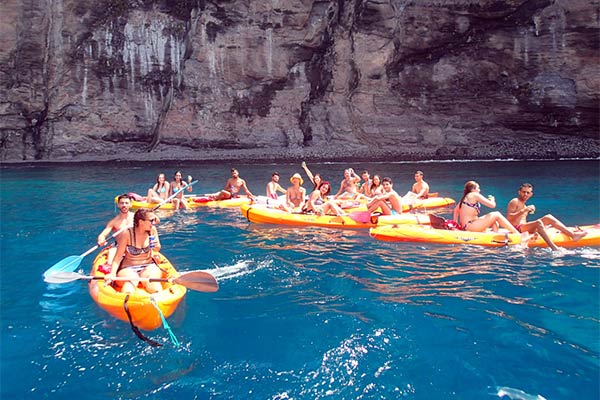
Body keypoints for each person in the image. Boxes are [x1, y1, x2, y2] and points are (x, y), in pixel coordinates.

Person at [506, 183, 587, 250]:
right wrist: (523, 211)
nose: (525, 194)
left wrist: (526, 211)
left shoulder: (524, 205)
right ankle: (554, 247)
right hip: (517, 228)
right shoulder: (515, 201)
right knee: (538, 222)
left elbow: (523, 220)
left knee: (548, 217)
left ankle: (572, 234)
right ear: (519, 192)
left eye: (528, 193)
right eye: (524, 192)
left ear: (531, 194)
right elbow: (509, 218)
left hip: (523, 227)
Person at [107, 208, 163, 294]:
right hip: (128, 268)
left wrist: (156, 246)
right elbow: (118, 257)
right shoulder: (127, 234)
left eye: (154, 220)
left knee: (154, 285)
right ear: (141, 222)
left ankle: (158, 301)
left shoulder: (152, 230)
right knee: (131, 283)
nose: (154, 222)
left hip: (148, 265)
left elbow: (157, 249)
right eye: (151, 220)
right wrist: (112, 274)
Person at [453, 180, 519, 234]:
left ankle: (494, 235)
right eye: (478, 188)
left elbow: (456, 210)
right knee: (497, 214)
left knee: (493, 220)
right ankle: (517, 233)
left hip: (466, 226)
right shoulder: (474, 195)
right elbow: (492, 205)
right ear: (473, 189)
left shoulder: (465, 198)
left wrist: (455, 224)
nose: (479, 190)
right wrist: (492, 200)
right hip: (470, 226)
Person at [97, 194, 134, 265]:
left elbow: (154, 222)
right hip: (119, 246)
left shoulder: (137, 217)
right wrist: (101, 239)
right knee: (111, 256)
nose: (124, 205)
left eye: (126, 203)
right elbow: (103, 234)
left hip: (135, 245)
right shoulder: (114, 222)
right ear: (118, 205)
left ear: (130, 204)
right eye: (122, 203)